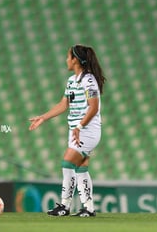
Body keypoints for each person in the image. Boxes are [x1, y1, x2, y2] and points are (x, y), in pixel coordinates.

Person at [29, 44, 106, 217]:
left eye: (68, 57)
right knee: (81, 168)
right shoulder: (72, 81)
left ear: (76, 60)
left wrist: (79, 126)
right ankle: (89, 208)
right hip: (76, 130)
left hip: (87, 130)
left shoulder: (89, 80)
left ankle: (64, 205)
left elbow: (93, 108)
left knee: (67, 163)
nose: (66, 60)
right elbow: (64, 104)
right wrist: (43, 117)